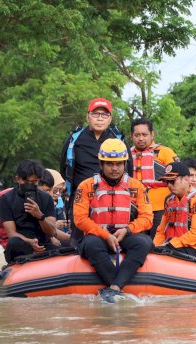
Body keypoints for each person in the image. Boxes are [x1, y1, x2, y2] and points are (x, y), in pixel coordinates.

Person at [73, 139, 153, 303]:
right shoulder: (86, 186)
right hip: (97, 235)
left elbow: (147, 218)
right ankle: (117, 284)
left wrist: (127, 230)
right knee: (90, 245)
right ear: (101, 164)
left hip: (125, 233)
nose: (114, 168)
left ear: (125, 164)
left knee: (143, 243)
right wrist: (105, 235)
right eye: (110, 164)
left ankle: (114, 288)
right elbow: (80, 219)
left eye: (118, 164)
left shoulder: (136, 186)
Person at [60, 98, 133, 247]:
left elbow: (128, 168)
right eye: (96, 114)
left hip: (113, 197)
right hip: (81, 198)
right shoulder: (74, 139)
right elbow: (64, 167)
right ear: (88, 117)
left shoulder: (118, 139)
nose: (100, 118)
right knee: (79, 242)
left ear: (110, 118)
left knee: (115, 239)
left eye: (104, 115)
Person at [153, 162, 196, 264]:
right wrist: (154, 247)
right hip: (175, 246)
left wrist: (169, 245)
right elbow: (160, 231)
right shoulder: (169, 201)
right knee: (150, 248)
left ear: (186, 179)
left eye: (173, 181)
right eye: (167, 182)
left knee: (164, 251)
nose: (169, 185)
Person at [0, 160, 58, 263]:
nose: (30, 185)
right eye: (26, 182)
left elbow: (52, 231)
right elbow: (11, 233)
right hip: (21, 245)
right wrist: (29, 242)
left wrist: (40, 216)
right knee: (14, 243)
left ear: (38, 180)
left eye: (34, 182)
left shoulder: (46, 198)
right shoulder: (6, 200)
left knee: (69, 247)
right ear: (18, 179)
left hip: (43, 244)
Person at [130, 118, 179, 238]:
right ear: (131, 136)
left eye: (144, 134)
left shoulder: (165, 152)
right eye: (137, 135)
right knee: (137, 241)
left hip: (160, 208)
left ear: (152, 134)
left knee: (157, 241)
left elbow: (179, 177)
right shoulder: (126, 155)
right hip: (134, 208)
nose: (141, 138)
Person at [38, 169, 71, 247]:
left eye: (60, 190)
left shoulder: (59, 203)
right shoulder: (40, 202)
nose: (58, 194)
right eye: (55, 190)